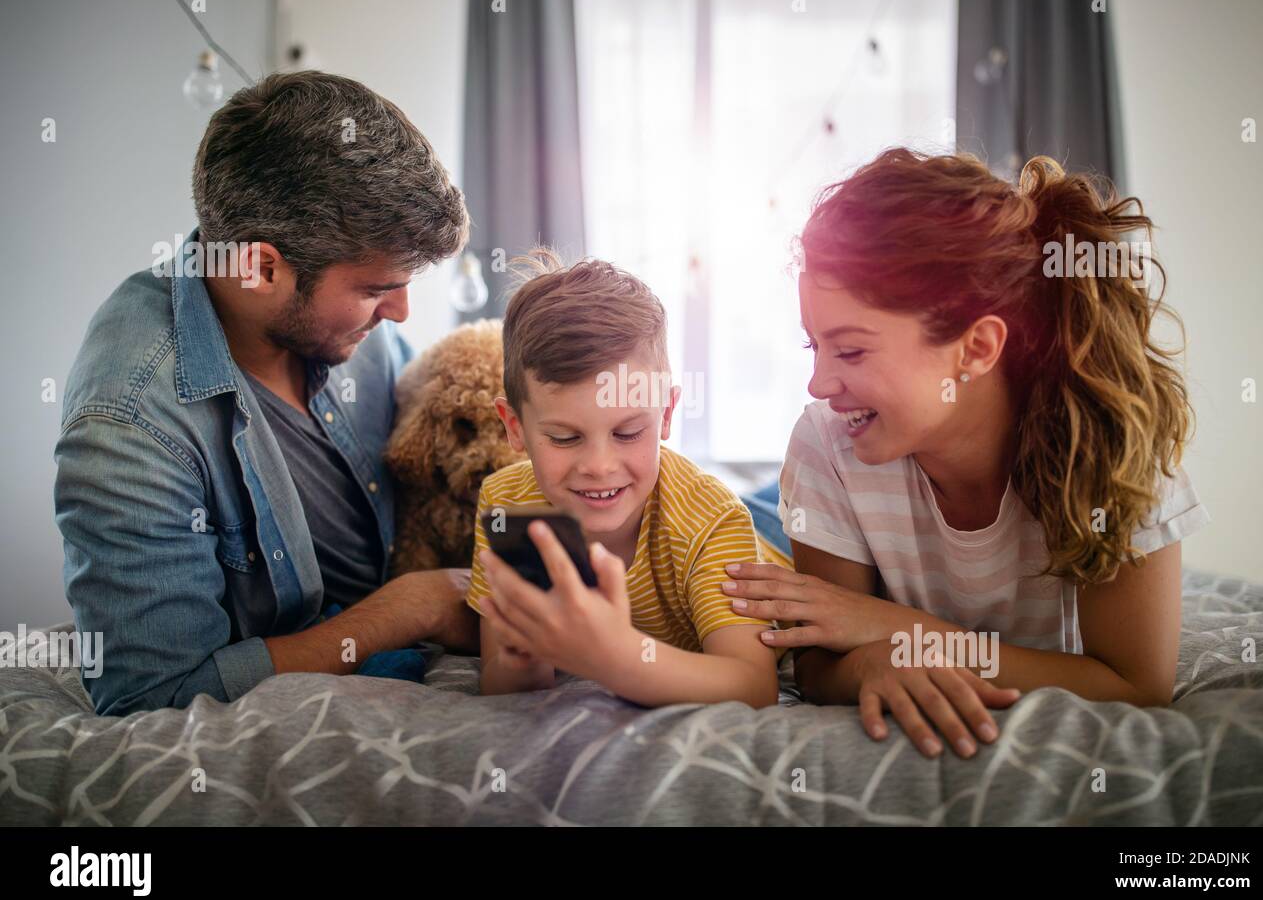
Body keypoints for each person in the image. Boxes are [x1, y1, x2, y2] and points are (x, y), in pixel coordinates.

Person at [722, 148, 1210, 757]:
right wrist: (869, 665)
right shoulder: (826, 440)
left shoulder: (1114, 443)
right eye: (812, 347)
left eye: (849, 352)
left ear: (976, 348)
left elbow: (1137, 688)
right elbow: (820, 666)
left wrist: (898, 631)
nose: (818, 384)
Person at [54, 71, 476, 716]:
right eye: (373, 289)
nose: (399, 312)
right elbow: (153, 696)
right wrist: (408, 609)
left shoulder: (345, 327)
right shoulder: (129, 421)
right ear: (260, 267)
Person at [468, 251, 789, 708]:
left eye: (628, 432)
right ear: (514, 427)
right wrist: (524, 653)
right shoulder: (506, 504)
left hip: (773, 537)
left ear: (667, 415)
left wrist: (616, 659)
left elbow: (754, 687)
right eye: (564, 438)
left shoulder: (711, 520)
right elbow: (502, 685)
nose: (599, 466)